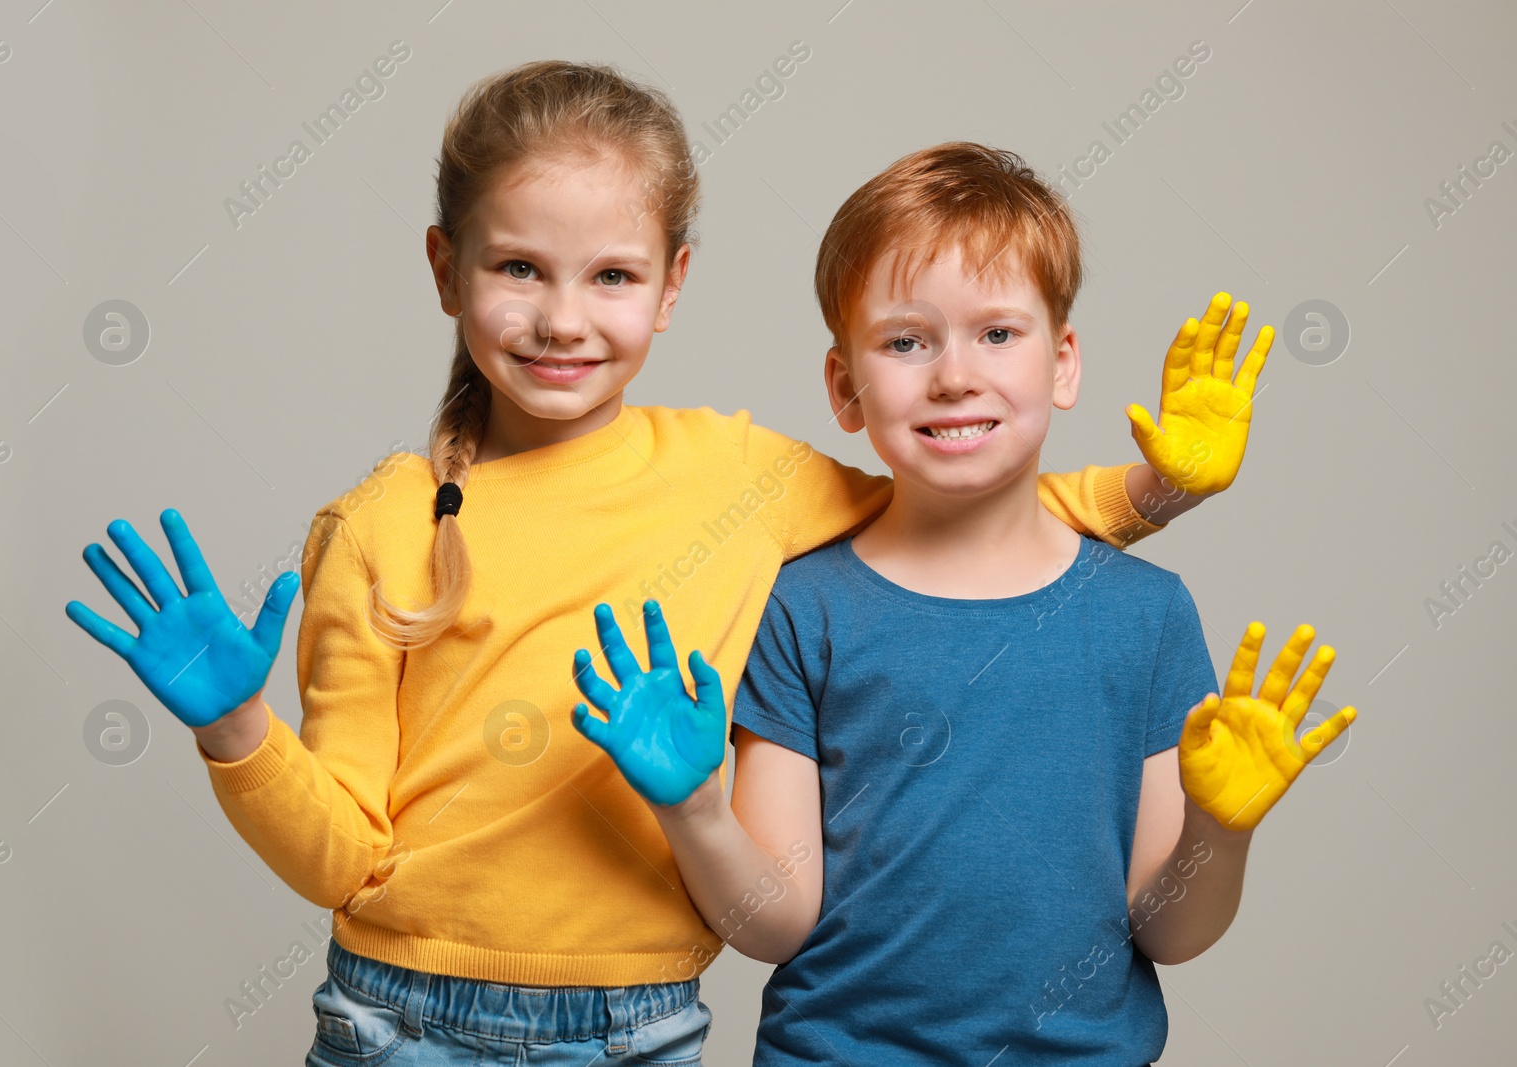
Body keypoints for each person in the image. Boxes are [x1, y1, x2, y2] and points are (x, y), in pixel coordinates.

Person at [67, 61, 1234, 1065]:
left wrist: (1158, 488)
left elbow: (946, 505)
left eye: (611, 276)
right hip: (396, 1016)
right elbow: (341, 856)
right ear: (443, 268)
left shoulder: (741, 476)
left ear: (672, 285)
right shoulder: (381, 526)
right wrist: (235, 731)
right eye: (517, 267)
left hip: (641, 1023)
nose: (562, 318)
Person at [569, 142, 1354, 1065]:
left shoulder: (1149, 615)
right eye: (906, 341)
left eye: (998, 334)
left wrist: (1220, 833)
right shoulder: (804, 608)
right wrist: (696, 810)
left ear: (1064, 362)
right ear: (843, 387)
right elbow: (775, 924)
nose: (953, 375)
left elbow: (1169, 934)